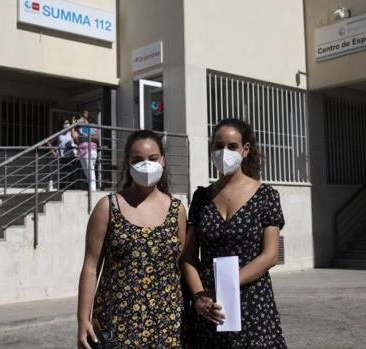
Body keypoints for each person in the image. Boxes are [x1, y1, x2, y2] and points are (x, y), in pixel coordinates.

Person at [181, 118, 287, 348]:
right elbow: (188, 256)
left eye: (232, 146)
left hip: (252, 302)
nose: (224, 152)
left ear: (245, 150)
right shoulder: (201, 198)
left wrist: (224, 287)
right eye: (218, 146)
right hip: (209, 306)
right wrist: (199, 296)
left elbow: (269, 255)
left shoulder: (266, 196)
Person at [77, 130, 187, 349]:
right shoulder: (107, 207)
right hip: (116, 324)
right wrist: (82, 319)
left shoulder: (177, 210)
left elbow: (183, 265)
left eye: (152, 158)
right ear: (127, 163)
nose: (146, 165)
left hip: (167, 323)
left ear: (162, 160)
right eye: (137, 160)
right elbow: (91, 267)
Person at [72, 110, 98, 191]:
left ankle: (93, 189)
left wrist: (86, 135)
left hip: (90, 149)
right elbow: (74, 136)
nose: (79, 119)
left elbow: (97, 137)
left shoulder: (92, 126)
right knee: (86, 170)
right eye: (79, 118)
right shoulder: (79, 128)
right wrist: (73, 125)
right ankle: (91, 187)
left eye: (81, 117)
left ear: (85, 117)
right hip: (82, 151)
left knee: (90, 169)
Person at [50, 118, 77, 189]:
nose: (67, 124)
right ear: (62, 125)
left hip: (71, 156)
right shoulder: (59, 133)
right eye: (65, 123)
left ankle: (72, 190)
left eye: (68, 123)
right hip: (62, 157)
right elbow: (49, 142)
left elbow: (77, 140)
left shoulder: (71, 132)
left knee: (71, 175)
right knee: (62, 175)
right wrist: (53, 152)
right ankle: (61, 190)